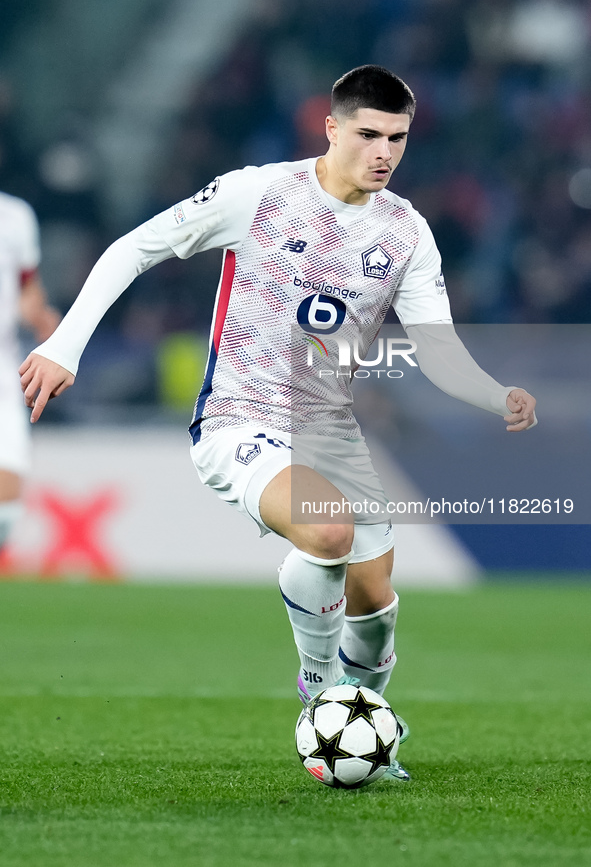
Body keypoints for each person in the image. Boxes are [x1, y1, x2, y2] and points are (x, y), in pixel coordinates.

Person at [19, 65, 537, 781]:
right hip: (237, 418)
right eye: (367, 134)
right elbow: (132, 248)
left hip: (330, 431)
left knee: (376, 607)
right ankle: (318, 690)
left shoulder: (407, 232)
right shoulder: (258, 193)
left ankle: (358, 725)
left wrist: (493, 394)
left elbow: (437, 348)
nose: (383, 151)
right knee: (328, 530)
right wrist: (62, 344)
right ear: (329, 127)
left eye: (397, 137)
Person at [0, 191, 60, 555]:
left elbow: (26, 289)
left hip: (3, 369)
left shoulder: (15, 215)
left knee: (7, 500)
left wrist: (41, 317)